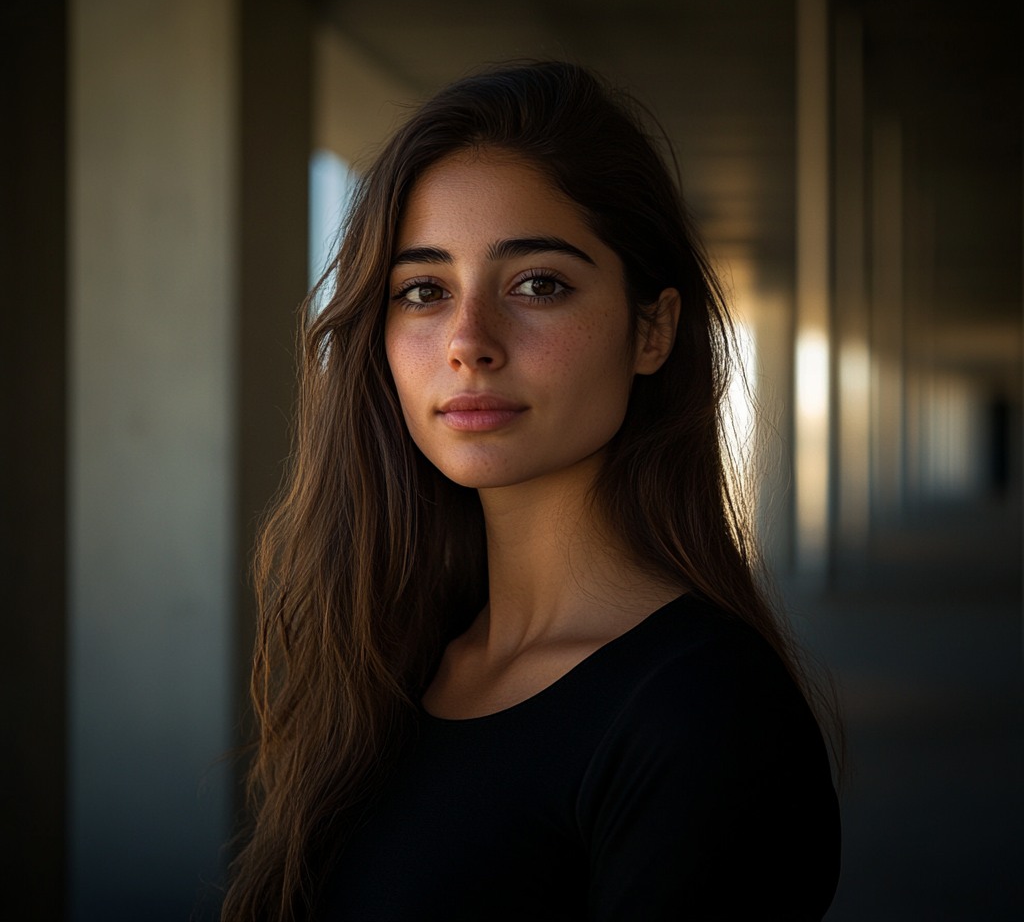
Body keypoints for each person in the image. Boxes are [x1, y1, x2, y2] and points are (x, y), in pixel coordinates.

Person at [221, 62, 841, 922]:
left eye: (538, 284)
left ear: (652, 329)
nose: (468, 342)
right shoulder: (389, 657)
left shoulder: (705, 719)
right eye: (424, 291)